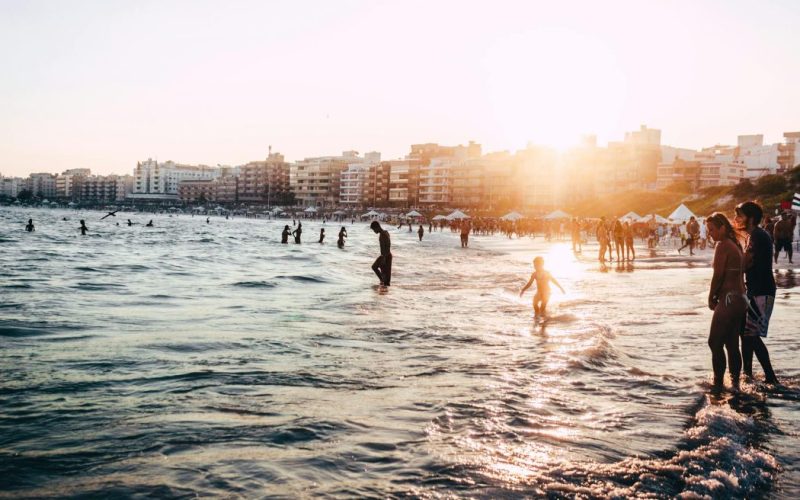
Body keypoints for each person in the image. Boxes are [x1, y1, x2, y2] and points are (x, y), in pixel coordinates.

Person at [734, 201, 779, 384]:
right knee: (745, 333)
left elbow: (746, 263)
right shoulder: (757, 235)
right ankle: (748, 374)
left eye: (740, 215)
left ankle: (771, 377)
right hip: (758, 289)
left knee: (751, 335)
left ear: (750, 219)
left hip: (761, 291)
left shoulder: (757, 236)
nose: (736, 219)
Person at [705, 213, 746, 391]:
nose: (710, 234)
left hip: (728, 300)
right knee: (731, 344)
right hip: (740, 300)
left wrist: (711, 296)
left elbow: (718, 275)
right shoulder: (735, 244)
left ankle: (718, 384)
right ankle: (736, 384)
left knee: (714, 342)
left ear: (722, 228)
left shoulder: (723, 245)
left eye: (712, 230)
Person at [370, 221, 392, 286]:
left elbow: (384, 247)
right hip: (387, 255)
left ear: (377, 227)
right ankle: (382, 282)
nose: (374, 231)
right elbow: (388, 245)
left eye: (374, 229)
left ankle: (382, 281)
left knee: (385, 277)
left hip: (385, 256)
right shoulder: (386, 232)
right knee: (385, 275)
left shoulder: (382, 235)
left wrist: (384, 258)